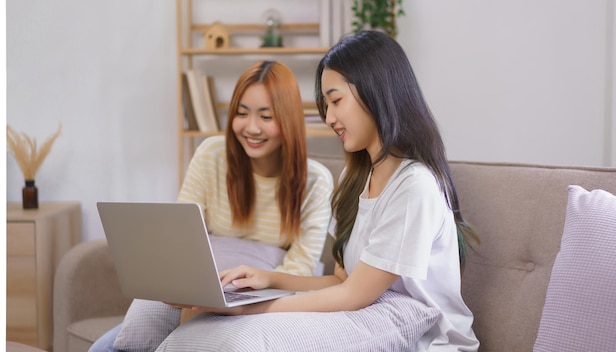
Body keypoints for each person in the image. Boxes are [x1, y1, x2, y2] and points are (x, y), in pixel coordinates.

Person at [179, 30, 481, 351]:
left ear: (376, 91)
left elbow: (354, 295)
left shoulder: (414, 186)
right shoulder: (354, 176)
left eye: (336, 100)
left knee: (245, 335)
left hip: (425, 339)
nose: (330, 117)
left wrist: (248, 309)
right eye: (326, 104)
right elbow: (341, 282)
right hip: (367, 318)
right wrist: (268, 280)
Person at [88, 60, 334, 352]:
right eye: (242, 114)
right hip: (201, 283)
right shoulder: (211, 154)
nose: (251, 128)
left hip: (265, 296)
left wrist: (245, 291)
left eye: (266, 117)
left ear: (289, 119)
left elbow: (302, 267)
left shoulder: (315, 180)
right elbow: (182, 235)